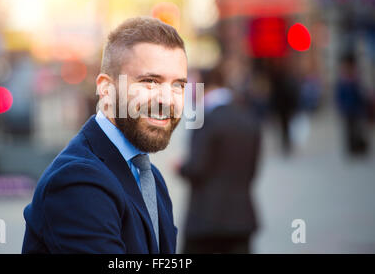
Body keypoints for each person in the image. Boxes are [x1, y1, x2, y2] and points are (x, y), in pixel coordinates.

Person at [22, 17, 187, 253]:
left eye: (178, 85)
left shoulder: (151, 177)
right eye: (150, 81)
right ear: (106, 89)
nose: (166, 99)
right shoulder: (77, 181)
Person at [179, 67, 261, 254]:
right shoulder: (248, 117)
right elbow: (252, 170)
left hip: (206, 218)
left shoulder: (205, 120)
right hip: (241, 216)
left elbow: (196, 168)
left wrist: (180, 167)